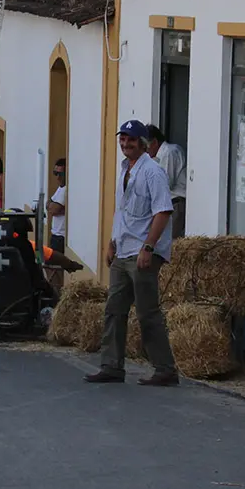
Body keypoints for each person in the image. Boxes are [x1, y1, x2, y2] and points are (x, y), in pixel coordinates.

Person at [84, 119, 177, 387]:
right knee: (114, 309)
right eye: (123, 139)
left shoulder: (153, 172)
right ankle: (111, 365)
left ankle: (165, 369)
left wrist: (149, 247)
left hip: (142, 252)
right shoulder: (125, 169)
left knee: (148, 312)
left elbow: (163, 211)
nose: (125, 144)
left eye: (131, 140)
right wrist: (112, 242)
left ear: (143, 143)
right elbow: (122, 211)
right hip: (123, 249)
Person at [146, 125, 186, 239]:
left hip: (175, 203)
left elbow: (166, 183)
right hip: (167, 205)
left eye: (145, 145)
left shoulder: (169, 152)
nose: (145, 150)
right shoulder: (157, 157)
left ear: (154, 142)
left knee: (170, 243)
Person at [48, 158, 67, 253]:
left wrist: (56, 208)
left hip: (61, 237)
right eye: (55, 173)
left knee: (55, 266)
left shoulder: (65, 189)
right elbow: (48, 205)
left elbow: (53, 209)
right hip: (55, 234)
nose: (58, 177)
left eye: (60, 174)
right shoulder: (60, 188)